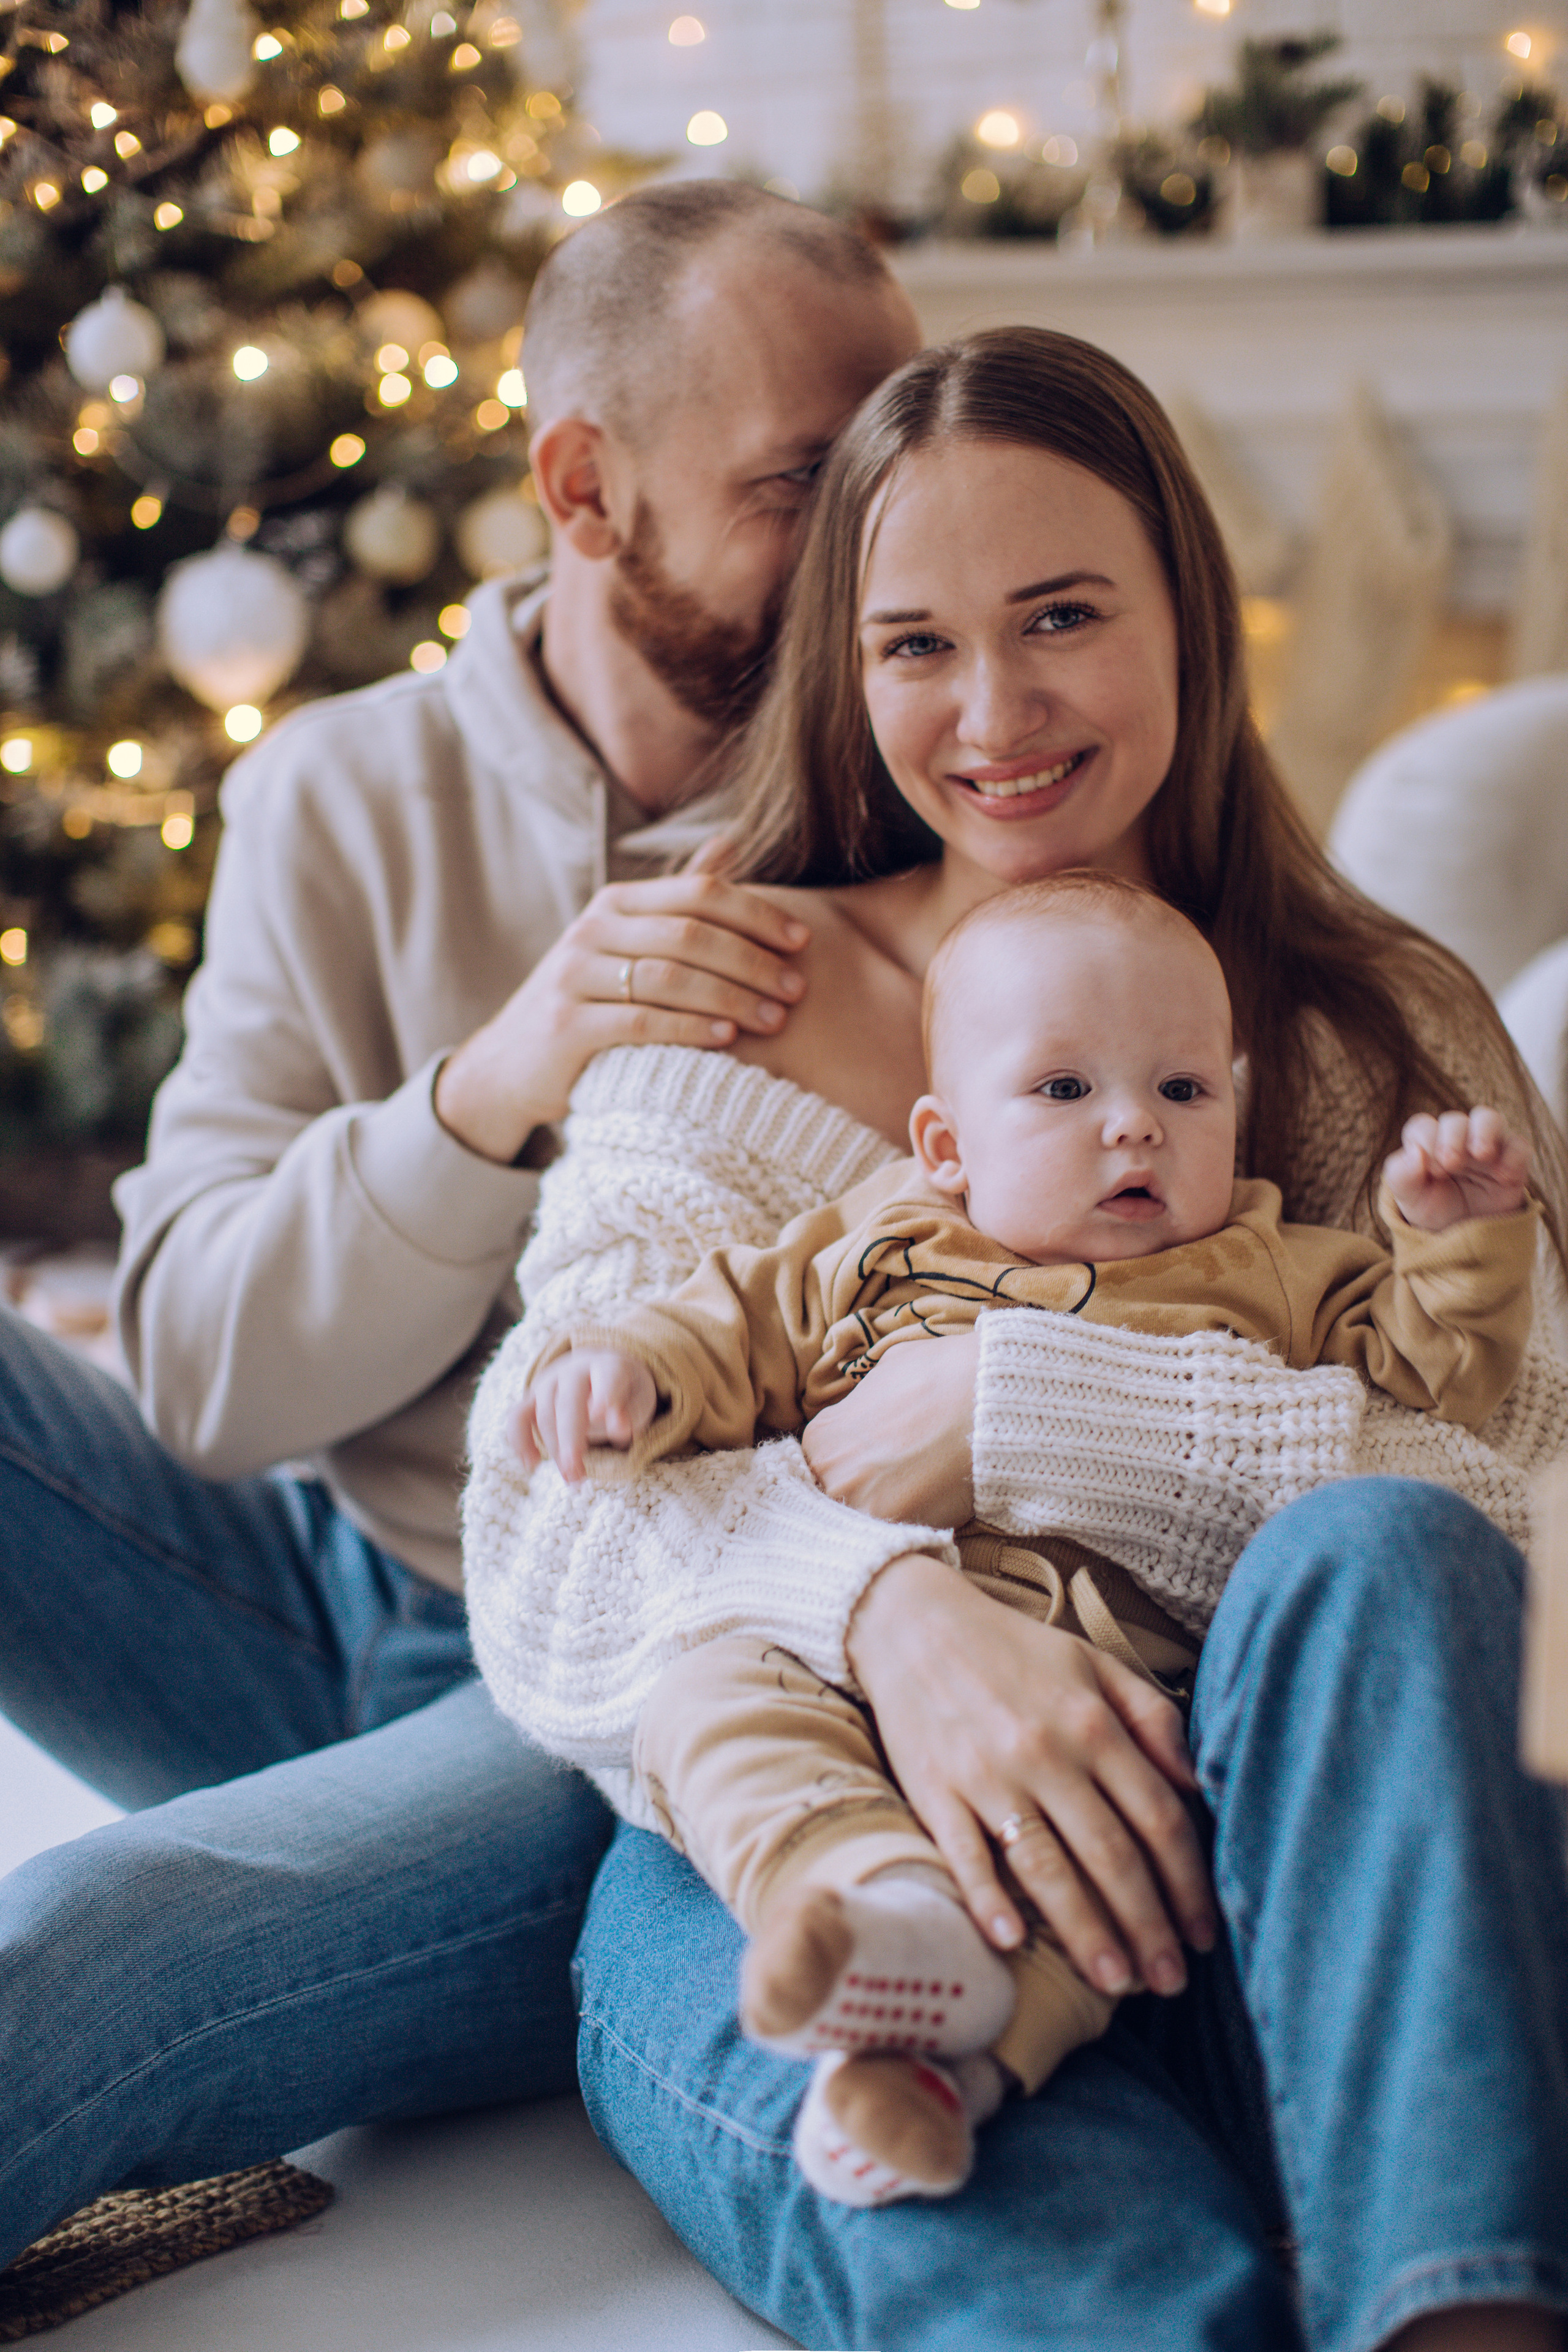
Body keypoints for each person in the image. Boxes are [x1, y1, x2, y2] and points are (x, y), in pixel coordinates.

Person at [464, 328, 1568, 2350]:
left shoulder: (1365, 1041)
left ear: (1193, 618)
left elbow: (1528, 1526)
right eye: (916, 645)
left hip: (1257, 1857)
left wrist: (1038, 1406)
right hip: (827, 1843)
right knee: (1072, 2265)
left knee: (1388, 1548)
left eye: (1063, 616)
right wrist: (891, 1610)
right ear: (847, 662)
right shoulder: (733, 984)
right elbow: (545, 1543)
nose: (995, 715)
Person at [0, 181, 921, 2269]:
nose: (885, 547)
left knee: (83, 1931)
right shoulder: (338, 793)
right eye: (805, 486)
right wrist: (485, 1094)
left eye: (896, 462)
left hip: (609, 1691)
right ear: (585, 492)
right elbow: (209, 1376)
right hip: (320, 1582)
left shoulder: (923, 813)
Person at [500, 871, 1542, 2211]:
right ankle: (872, 1898)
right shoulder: (869, 1252)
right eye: (1063, 1092)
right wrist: (623, 1372)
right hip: (853, 1677)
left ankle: (947, 2072)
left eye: (1182, 1092)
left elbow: (1442, 1378)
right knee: (704, 1696)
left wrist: (1459, 1244)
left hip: (1130, 1707)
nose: (1133, 1131)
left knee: (1101, 1860)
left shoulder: (1271, 1263)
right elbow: (723, 1334)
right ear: (942, 1144)